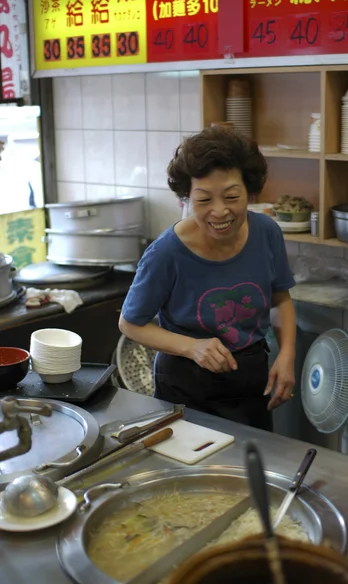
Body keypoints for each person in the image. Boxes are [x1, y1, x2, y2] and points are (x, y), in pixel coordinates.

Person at [119, 127, 296, 431]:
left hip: (251, 380)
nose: (219, 211)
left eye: (231, 197)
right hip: (186, 386)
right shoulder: (166, 254)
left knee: (250, 467)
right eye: (203, 200)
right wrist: (192, 347)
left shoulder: (266, 233)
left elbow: (280, 298)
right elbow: (130, 323)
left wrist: (287, 355)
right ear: (187, 198)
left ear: (249, 192)